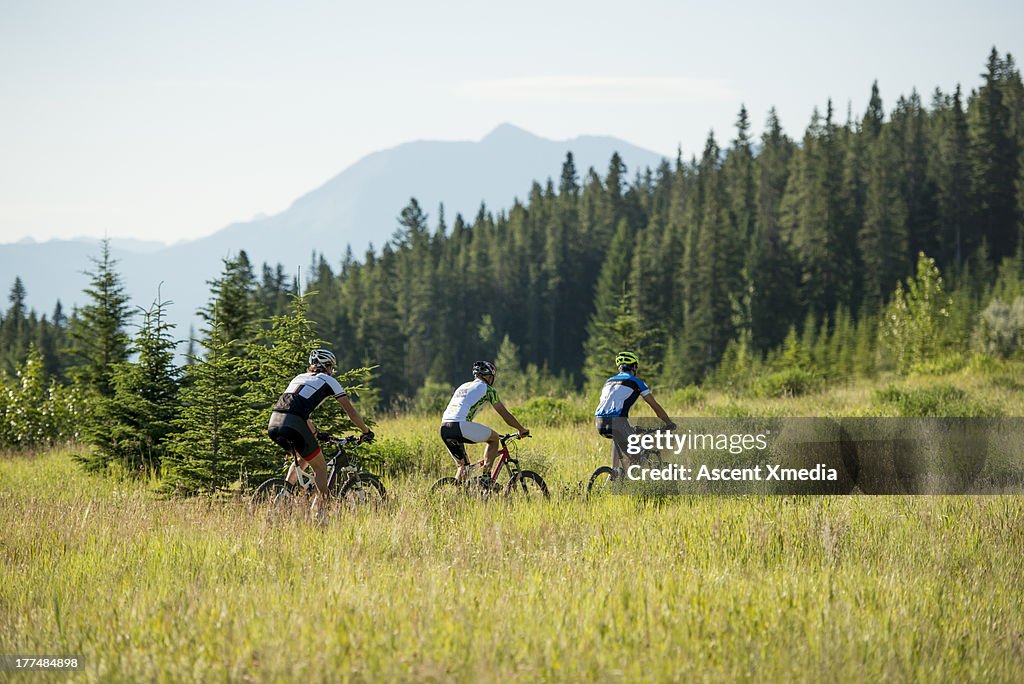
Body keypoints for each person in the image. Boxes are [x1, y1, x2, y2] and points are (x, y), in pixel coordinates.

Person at [267, 348, 374, 517]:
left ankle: (283, 497)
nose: (332, 370)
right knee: (321, 468)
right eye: (332, 367)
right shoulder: (328, 380)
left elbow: (294, 409)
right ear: (327, 366)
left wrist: (317, 433)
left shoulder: (298, 378)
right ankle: (320, 514)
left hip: (274, 423)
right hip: (294, 423)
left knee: (303, 458)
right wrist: (366, 431)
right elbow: (351, 413)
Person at [440, 361, 529, 483]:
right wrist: (521, 429)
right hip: (460, 425)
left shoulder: (463, 386)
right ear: (488, 376)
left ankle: (457, 495)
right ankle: (486, 477)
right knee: (494, 438)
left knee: (463, 467)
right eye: (492, 377)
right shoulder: (488, 390)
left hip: (444, 428)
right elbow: (505, 415)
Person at [594, 351, 675, 472]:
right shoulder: (637, 382)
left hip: (599, 423)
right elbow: (655, 407)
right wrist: (669, 423)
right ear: (634, 367)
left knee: (618, 436)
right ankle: (629, 482)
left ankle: (614, 472)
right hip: (618, 423)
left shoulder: (608, 382)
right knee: (637, 456)